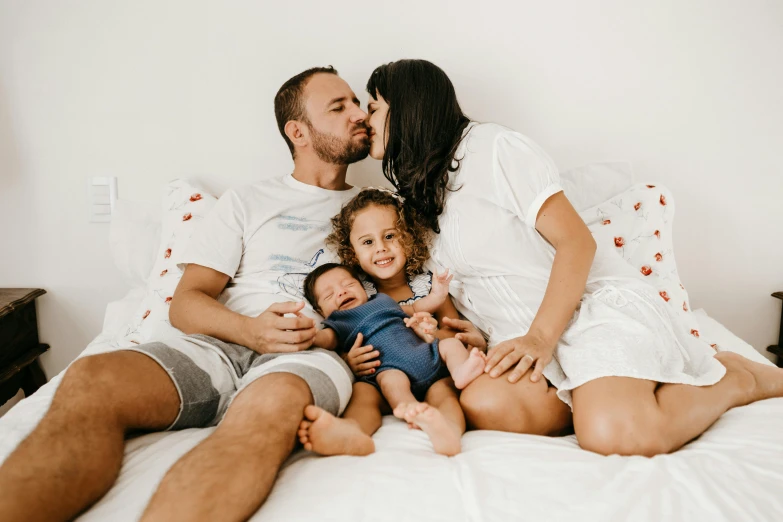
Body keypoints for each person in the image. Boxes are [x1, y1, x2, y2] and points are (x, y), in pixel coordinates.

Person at [0, 66, 372, 522]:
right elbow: (187, 301)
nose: (360, 114)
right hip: (220, 343)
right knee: (90, 379)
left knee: (263, 414)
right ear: (297, 131)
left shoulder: (377, 210)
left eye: (358, 102)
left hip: (310, 350)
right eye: (340, 106)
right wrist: (251, 332)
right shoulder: (248, 201)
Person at [360, 58, 783, 456]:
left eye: (374, 108)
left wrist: (541, 338)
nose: (365, 119)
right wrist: (470, 330)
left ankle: (734, 378)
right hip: (518, 335)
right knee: (486, 402)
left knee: (611, 434)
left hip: (586, 311)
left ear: (409, 108)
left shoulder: (492, 148)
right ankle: (597, 394)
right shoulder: (417, 200)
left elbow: (577, 243)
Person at [301, 215, 486, 455]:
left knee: (448, 365)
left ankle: (450, 424)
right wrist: (306, 334)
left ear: (362, 287)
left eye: (348, 285)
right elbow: (324, 340)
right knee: (365, 394)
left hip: (425, 355)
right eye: (328, 295)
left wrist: (438, 295)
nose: (341, 293)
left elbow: (417, 307)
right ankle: (355, 430)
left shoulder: (383, 301)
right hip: (384, 370)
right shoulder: (337, 322)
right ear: (319, 311)